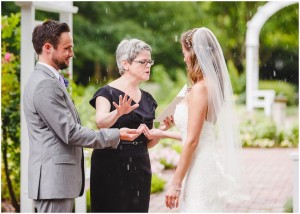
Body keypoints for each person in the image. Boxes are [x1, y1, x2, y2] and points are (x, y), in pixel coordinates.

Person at [23, 20, 142, 213]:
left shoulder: (45, 80)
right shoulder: (45, 84)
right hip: (53, 183)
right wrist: (116, 134)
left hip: (55, 183)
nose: (72, 53)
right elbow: (70, 133)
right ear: (47, 48)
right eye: (67, 48)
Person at [147, 27, 245, 212]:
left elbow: (192, 140)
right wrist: (162, 132)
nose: (184, 58)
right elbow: (199, 134)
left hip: (200, 167)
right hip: (203, 162)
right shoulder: (210, 85)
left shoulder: (201, 89)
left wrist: (175, 184)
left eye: (184, 53)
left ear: (194, 54)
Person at [89, 38, 172, 212]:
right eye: (143, 62)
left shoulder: (148, 99)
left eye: (150, 61)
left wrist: (161, 130)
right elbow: (100, 123)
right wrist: (118, 112)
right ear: (125, 64)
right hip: (109, 164)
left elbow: (148, 143)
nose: (148, 66)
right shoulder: (106, 93)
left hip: (140, 163)